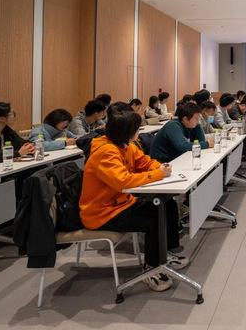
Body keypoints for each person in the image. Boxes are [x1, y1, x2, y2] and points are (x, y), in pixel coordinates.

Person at [79, 110, 187, 292]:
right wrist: (158, 174)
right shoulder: (105, 152)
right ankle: (151, 268)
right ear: (127, 131)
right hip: (103, 213)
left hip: (122, 203)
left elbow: (145, 162)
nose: (139, 131)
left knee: (167, 205)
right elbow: (123, 181)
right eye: (136, 129)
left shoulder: (126, 146)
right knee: (155, 220)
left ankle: (164, 255)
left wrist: (160, 167)